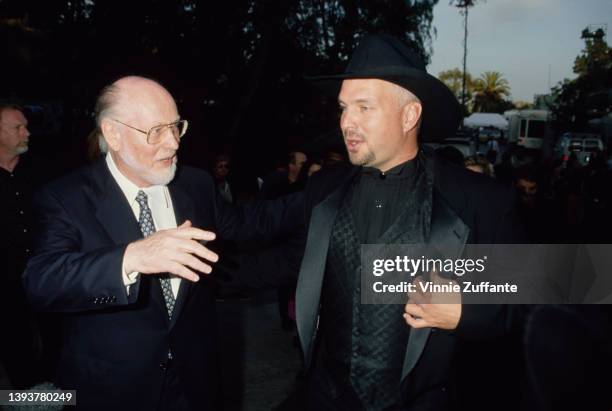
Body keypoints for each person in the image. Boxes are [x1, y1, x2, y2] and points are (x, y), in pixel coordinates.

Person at [232, 34, 526, 410]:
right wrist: (182, 275)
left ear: (409, 115)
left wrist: (470, 309)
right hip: (327, 397)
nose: (345, 122)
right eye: (343, 107)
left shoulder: (480, 202)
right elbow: (279, 258)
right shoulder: (325, 190)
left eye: (363, 107)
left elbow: (564, 289)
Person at [22, 76, 301, 410]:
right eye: (156, 131)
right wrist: (132, 258)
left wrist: (322, 196)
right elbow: (42, 282)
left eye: (176, 126)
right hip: (111, 389)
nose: (173, 143)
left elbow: (250, 223)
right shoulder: (65, 197)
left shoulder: (195, 184)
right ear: (113, 133)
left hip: (194, 380)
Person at [0, 104, 45, 388]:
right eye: (18, 127)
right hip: (4, 282)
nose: (27, 132)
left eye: (26, 125)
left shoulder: (43, 172)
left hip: (45, 273)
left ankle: (61, 398)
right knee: (15, 347)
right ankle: (26, 400)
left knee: (58, 340)